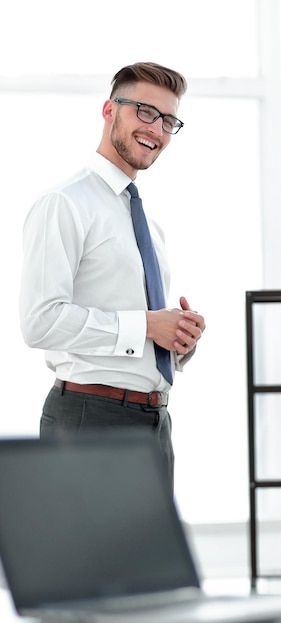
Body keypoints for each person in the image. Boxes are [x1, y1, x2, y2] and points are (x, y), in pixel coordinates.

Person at [19, 61, 206, 488]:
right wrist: (145, 325)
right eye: (145, 111)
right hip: (91, 418)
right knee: (83, 556)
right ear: (109, 111)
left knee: (149, 557)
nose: (156, 130)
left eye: (168, 120)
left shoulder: (148, 225)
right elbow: (39, 322)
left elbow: (143, 333)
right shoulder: (64, 203)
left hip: (155, 421)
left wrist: (178, 339)